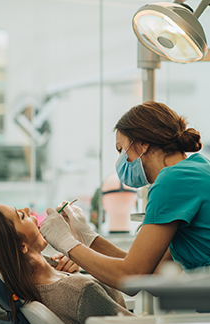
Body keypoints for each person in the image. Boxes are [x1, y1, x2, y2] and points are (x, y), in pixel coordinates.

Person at [40, 100, 210, 290]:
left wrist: (67, 243)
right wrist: (88, 238)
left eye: (121, 150)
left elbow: (131, 277)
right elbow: (153, 271)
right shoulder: (195, 168)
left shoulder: (173, 180)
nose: (121, 161)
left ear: (143, 143)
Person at [0, 202, 134, 324]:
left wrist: (76, 269)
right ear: (21, 246)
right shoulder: (80, 291)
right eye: (21, 216)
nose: (28, 210)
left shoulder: (31, 290)